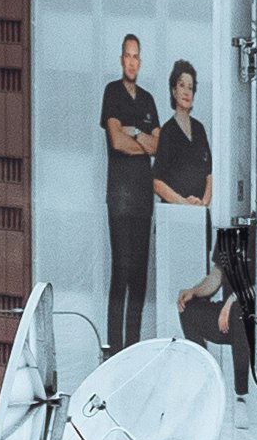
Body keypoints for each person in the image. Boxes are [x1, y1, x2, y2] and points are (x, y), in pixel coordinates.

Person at [152, 61, 225, 347]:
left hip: (199, 223)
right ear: (173, 89)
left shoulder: (201, 129)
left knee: (199, 280)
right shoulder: (168, 131)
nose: (186, 92)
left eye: (191, 87)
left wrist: (204, 204)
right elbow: (156, 181)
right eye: (182, 85)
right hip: (176, 223)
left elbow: (210, 174)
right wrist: (184, 203)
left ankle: (198, 342)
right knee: (174, 285)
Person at [96, 35, 160, 359]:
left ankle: (131, 346)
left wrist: (133, 132)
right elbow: (116, 142)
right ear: (121, 59)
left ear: (140, 61)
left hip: (142, 197)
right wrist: (138, 140)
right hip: (120, 196)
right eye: (128, 56)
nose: (132, 61)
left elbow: (158, 146)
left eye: (137, 56)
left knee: (139, 276)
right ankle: (114, 347)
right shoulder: (112, 93)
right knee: (121, 268)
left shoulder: (148, 100)